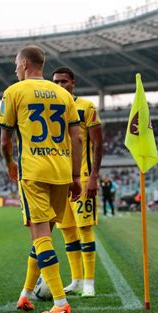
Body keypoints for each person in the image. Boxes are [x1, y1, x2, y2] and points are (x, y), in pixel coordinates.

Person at [0, 45, 82, 313]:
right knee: (42, 237)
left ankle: (60, 304)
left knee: (40, 236)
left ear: (24, 64)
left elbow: (5, 140)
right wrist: (76, 176)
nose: (14, 69)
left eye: (15, 64)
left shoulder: (14, 92)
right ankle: (25, 294)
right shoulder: (63, 94)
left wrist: (9, 162)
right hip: (61, 172)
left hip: (33, 173)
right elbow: (78, 138)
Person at [52, 66, 103, 297]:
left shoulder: (86, 107)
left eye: (64, 82)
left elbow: (98, 144)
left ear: (73, 83)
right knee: (68, 233)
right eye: (56, 82)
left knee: (84, 229)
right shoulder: (51, 110)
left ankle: (90, 282)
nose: (60, 85)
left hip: (82, 177)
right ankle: (76, 280)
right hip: (60, 180)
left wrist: (93, 177)